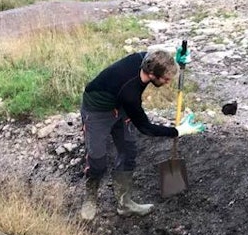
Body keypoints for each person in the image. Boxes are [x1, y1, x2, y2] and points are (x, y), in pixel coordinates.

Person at [80, 47, 205, 221]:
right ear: (152, 75)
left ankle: (124, 204)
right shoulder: (130, 92)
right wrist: (178, 131)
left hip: (120, 106)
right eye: (166, 79)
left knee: (128, 152)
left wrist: (175, 60)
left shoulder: (145, 59)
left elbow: (155, 52)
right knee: (97, 159)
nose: (168, 82)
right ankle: (90, 199)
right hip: (96, 110)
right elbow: (145, 127)